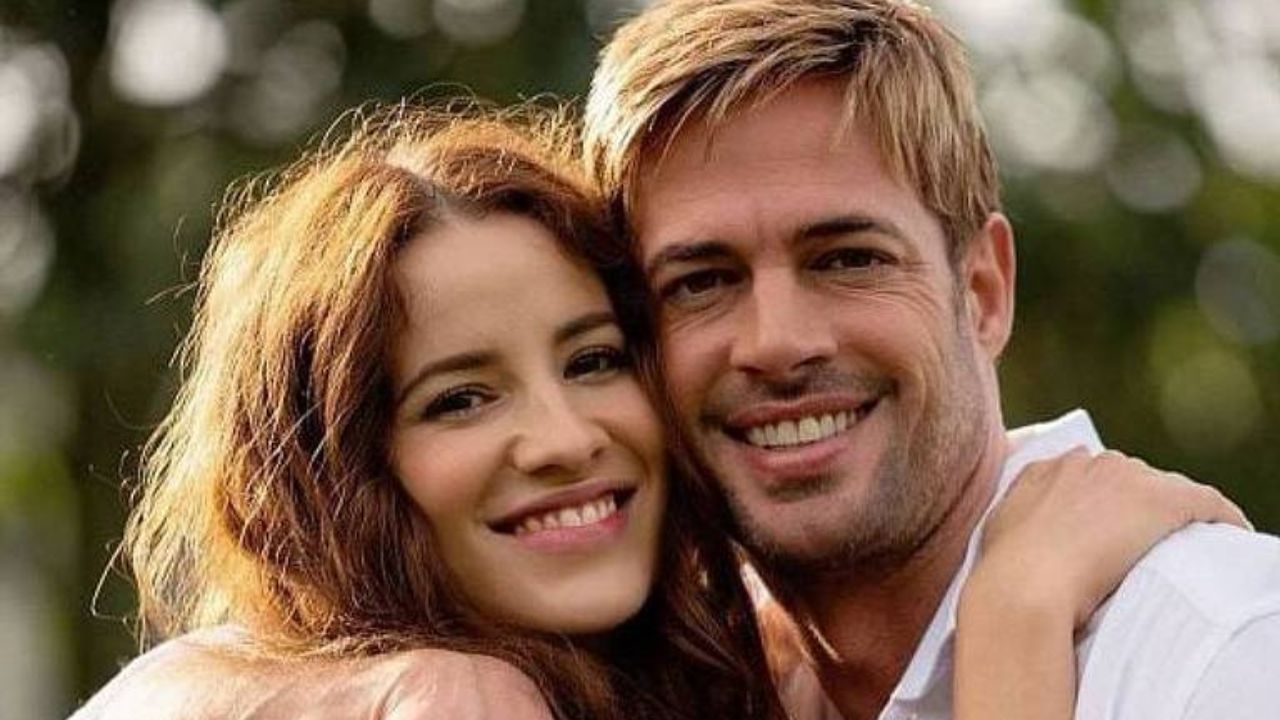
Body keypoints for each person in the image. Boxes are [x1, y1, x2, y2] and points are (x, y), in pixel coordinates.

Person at [69, 95, 1247, 720]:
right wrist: (1012, 634)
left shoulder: (727, 667)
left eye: (592, 360)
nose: (562, 437)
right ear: (335, 472)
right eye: (460, 397)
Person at [576, 1, 1280, 718]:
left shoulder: (1219, 660)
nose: (777, 342)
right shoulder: (679, 688)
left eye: (848, 259)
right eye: (701, 282)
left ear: (983, 292)